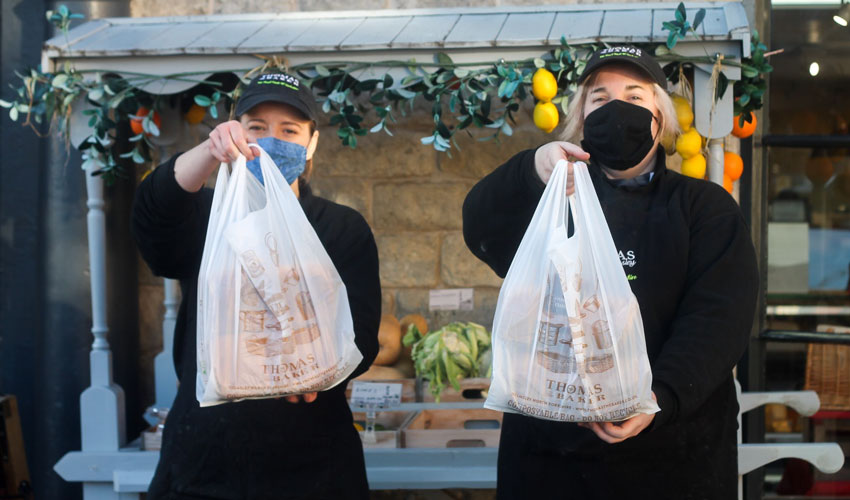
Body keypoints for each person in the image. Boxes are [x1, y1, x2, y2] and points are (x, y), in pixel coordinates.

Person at [462, 46, 759, 499]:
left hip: (672, 461)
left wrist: (659, 394)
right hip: (550, 463)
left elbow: (719, 318)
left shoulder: (704, 209)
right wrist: (533, 169)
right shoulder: (549, 206)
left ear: (661, 115)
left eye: (636, 97)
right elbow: (482, 228)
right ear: (581, 118)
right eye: (599, 99)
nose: (617, 109)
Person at [132, 72, 381, 500]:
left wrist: (317, 375)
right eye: (257, 128)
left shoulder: (340, 228)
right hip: (206, 458)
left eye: (289, 130)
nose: (272, 140)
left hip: (312, 462)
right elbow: (155, 216)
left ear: (312, 142)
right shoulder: (209, 217)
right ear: (235, 134)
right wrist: (208, 153)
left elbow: (359, 333)